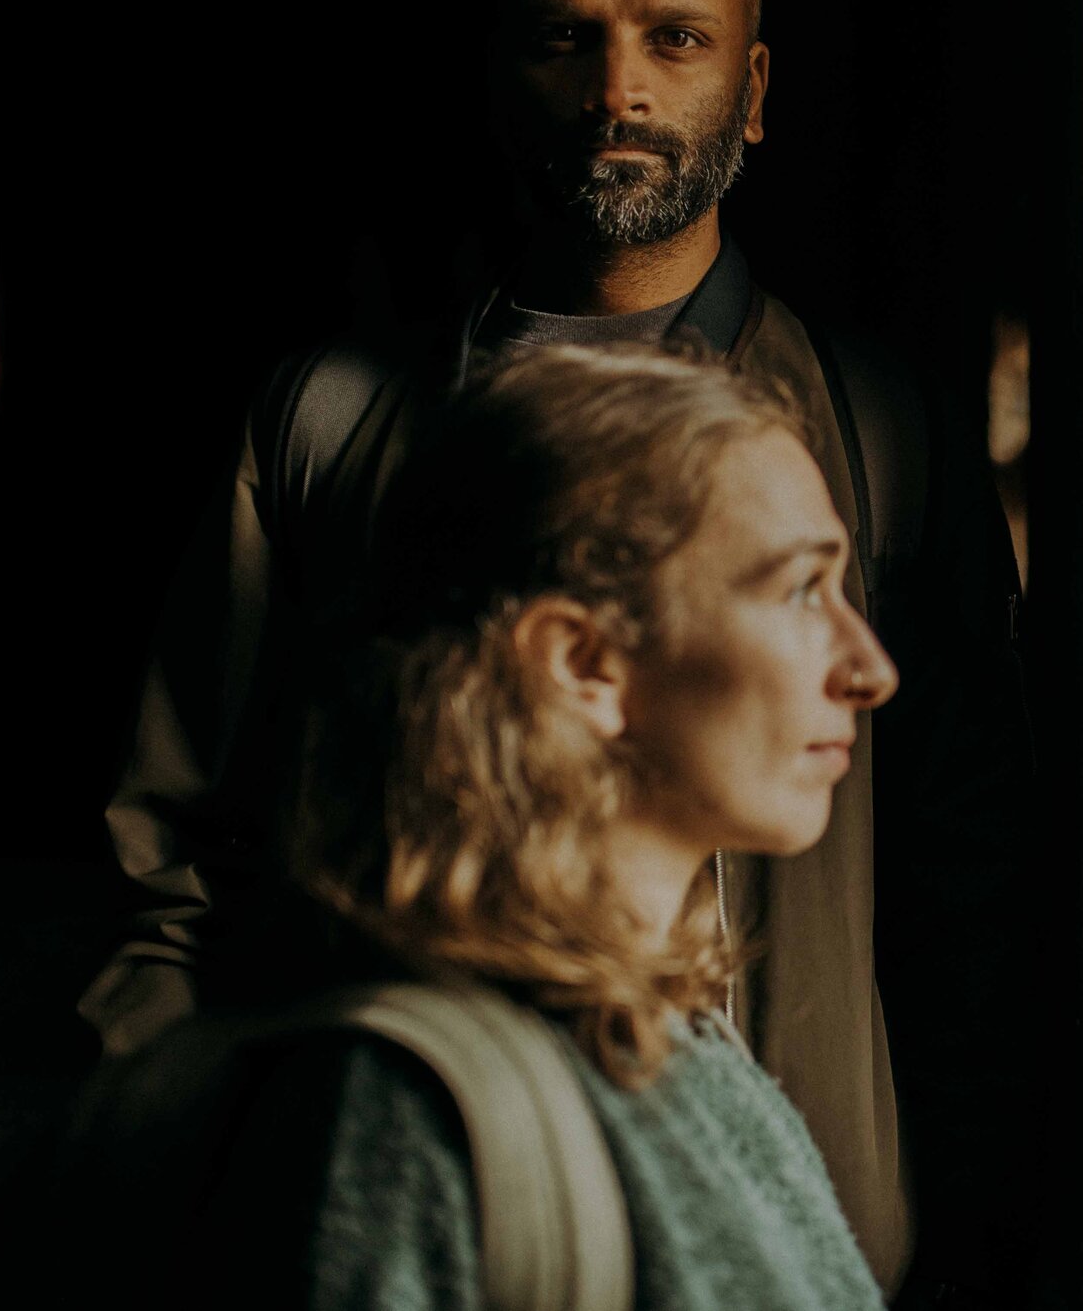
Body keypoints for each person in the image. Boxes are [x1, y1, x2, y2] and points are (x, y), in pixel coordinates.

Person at [82, 0, 1037, 1302]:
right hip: (443, 1192)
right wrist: (189, 1175)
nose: (618, 92)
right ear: (494, 72)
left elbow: (971, 876)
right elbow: (184, 853)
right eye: (563, 35)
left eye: (675, 37)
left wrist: (955, 1235)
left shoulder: (877, 429)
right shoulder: (333, 422)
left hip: (803, 1219)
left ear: (757, 89)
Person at [233, 343, 896, 1310]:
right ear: (583, 660)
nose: (869, 666)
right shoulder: (412, 1126)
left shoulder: (691, 1054)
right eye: (802, 589)